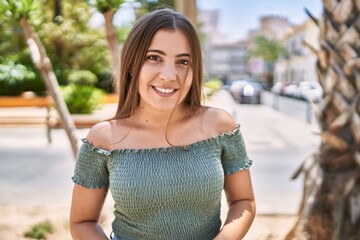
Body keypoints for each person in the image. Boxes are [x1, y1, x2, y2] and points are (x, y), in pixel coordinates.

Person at [70, 8, 255, 240]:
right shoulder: (104, 138)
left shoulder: (219, 126)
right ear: (131, 64)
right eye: (154, 58)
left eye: (183, 61)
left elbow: (243, 201)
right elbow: (82, 222)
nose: (169, 75)